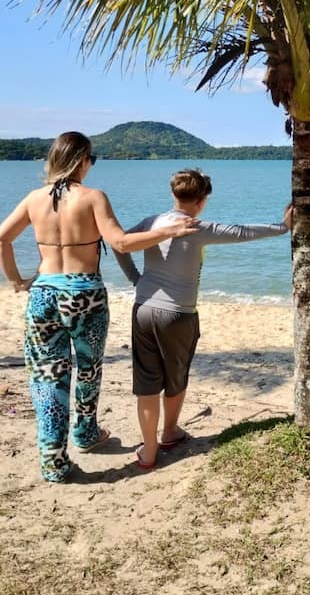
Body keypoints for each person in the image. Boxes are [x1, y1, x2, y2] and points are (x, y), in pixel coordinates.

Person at [0, 131, 198, 483]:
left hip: (44, 293)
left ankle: (53, 462)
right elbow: (121, 242)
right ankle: (85, 432)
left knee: (47, 378)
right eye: (92, 160)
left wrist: (17, 281)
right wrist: (169, 232)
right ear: (82, 160)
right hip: (85, 295)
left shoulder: (34, 199)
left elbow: (0, 240)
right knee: (88, 370)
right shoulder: (92, 197)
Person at [114, 168, 292, 470]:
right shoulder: (198, 227)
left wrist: (136, 279)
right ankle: (170, 432)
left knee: (147, 383)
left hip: (143, 309)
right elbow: (242, 232)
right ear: (202, 200)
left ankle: (149, 452)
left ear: (174, 194)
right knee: (176, 377)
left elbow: (120, 245)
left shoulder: (151, 223)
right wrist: (283, 227)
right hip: (178, 314)